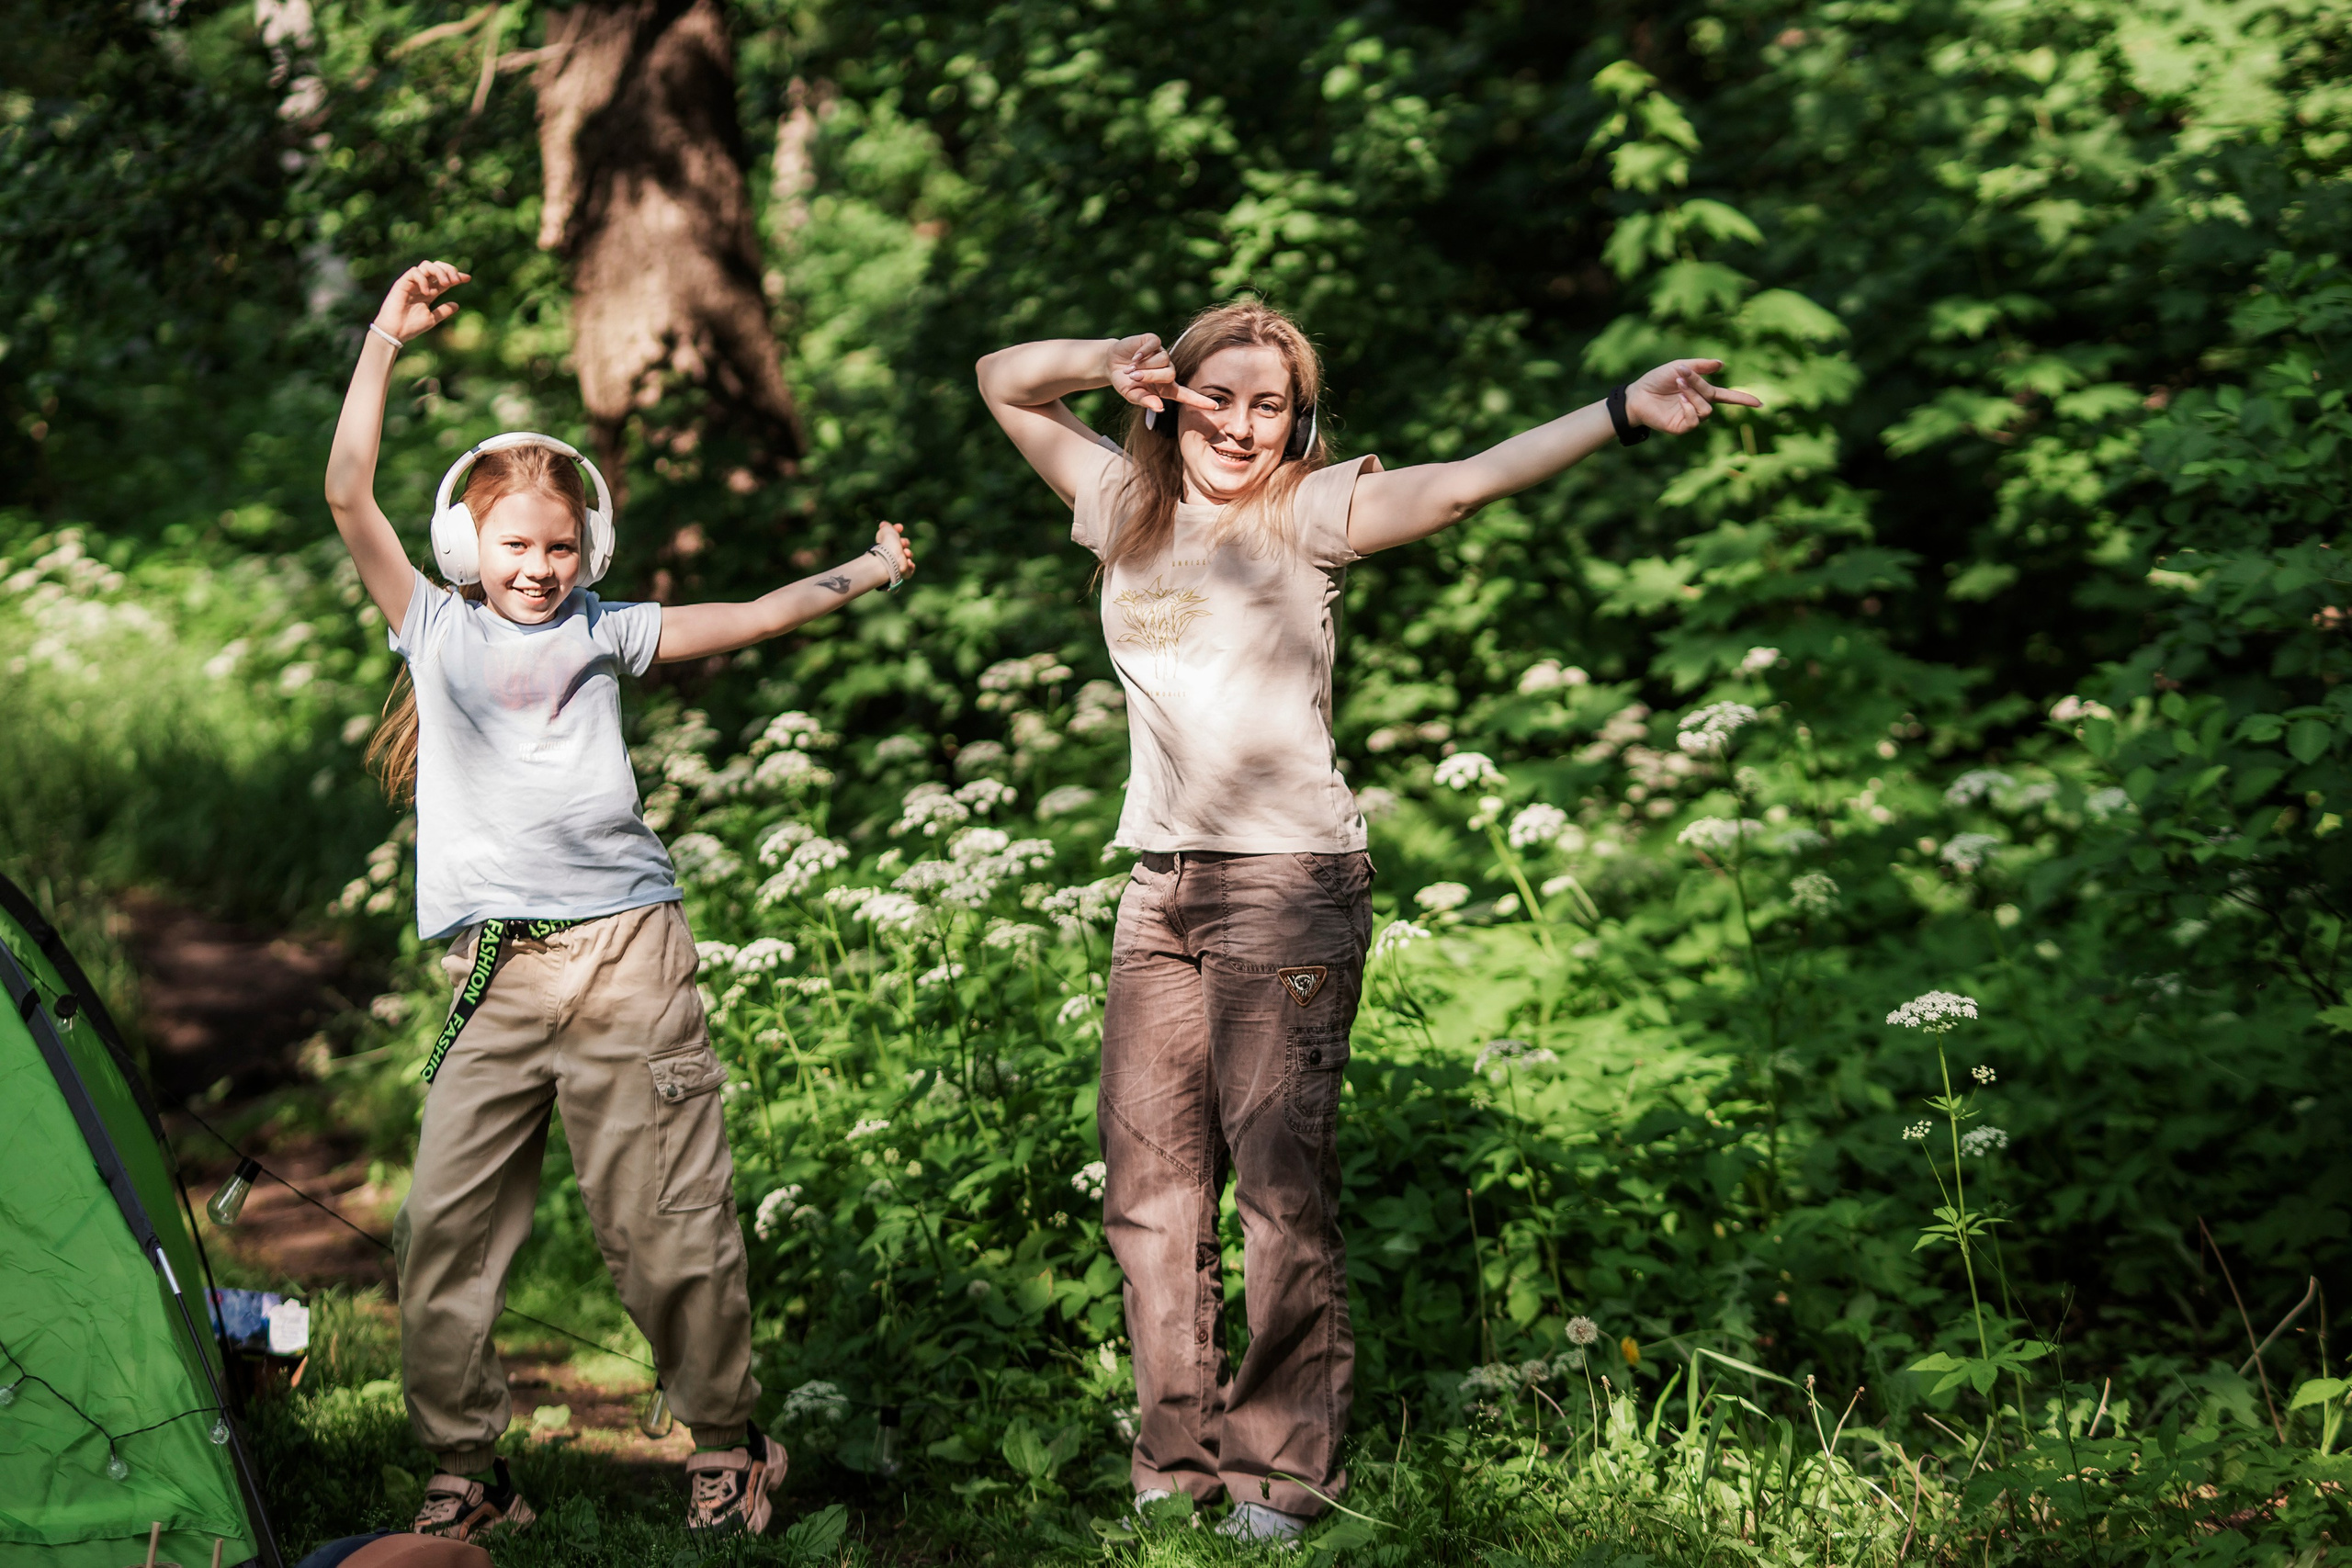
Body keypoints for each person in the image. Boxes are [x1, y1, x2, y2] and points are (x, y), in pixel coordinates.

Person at [976, 303, 1758, 1544]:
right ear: (1171, 396)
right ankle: (1175, 1467)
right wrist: (1107, 362)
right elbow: (1003, 381)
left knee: (1279, 1191)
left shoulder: (1307, 511)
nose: (1240, 424)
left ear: (1301, 423)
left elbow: (1461, 487)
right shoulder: (1120, 505)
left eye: (1268, 405)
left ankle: (1283, 1481)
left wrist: (1619, 412)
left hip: (1290, 885)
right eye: (1216, 396)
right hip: (1156, 888)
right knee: (1150, 1196)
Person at [324, 260, 915, 1540]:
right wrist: (383, 334)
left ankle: (726, 1441)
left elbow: (757, 615)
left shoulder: (607, 630)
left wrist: (868, 571)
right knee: (444, 1226)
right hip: (495, 970)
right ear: (463, 546)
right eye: (513, 544)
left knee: (663, 1225)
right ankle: (471, 1471)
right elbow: (342, 489)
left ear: (589, 550)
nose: (536, 566)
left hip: (626, 957)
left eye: (558, 546)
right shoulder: (430, 627)